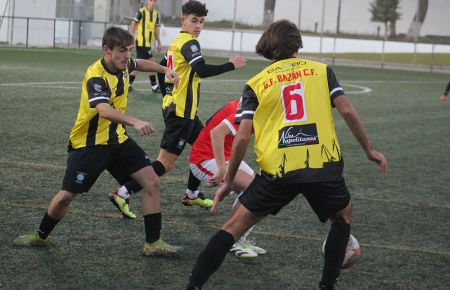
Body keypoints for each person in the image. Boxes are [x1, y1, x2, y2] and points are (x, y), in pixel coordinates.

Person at [186, 19, 387, 290]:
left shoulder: (256, 83)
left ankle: (193, 286)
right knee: (343, 215)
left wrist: (227, 180)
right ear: (298, 44)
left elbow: (242, 136)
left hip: (278, 170)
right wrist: (369, 149)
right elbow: (348, 111)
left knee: (232, 228)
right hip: (322, 164)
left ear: (268, 46)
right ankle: (327, 285)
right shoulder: (321, 71)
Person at [13, 26, 183, 257]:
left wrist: (165, 70)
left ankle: (153, 243)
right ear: (106, 50)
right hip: (89, 144)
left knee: (151, 181)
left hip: (118, 141)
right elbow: (103, 110)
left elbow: (139, 64)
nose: (127, 56)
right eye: (122, 51)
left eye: (129, 50)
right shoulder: (95, 75)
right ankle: (41, 236)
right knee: (66, 196)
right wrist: (135, 121)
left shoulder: (124, 64)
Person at [108, 0, 247, 215]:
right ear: (183, 20)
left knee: (204, 148)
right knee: (164, 163)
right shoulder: (189, 43)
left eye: (201, 21)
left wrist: (168, 97)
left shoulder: (176, 43)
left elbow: (165, 70)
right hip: (181, 114)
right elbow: (200, 69)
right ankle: (123, 192)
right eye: (194, 21)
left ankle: (191, 194)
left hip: (184, 112)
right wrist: (231, 65)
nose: (199, 25)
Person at [186, 98, 266, 258]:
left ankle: (238, 238)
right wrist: (222, 168)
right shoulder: (249, 108)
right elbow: (216, 133)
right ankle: (234, 238)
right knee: (257, 191)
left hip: (225, 156)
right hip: (205, 159)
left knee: (262, 192)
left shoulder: (253, 103)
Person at [129, 0, 162, 93]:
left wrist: (159, 42)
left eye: (155, 1)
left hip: (148, 44)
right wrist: (131, 38)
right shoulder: (141, 11)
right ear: (148, 1)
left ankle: (127, 84)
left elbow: (156, 30)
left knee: (139, 65)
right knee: (151, 63)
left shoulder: (156, 15)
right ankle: (154, 86)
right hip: (141, 43)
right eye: (152, 0)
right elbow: (133, 24)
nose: (153, 2)